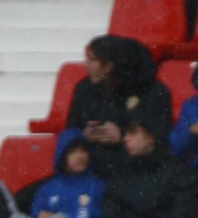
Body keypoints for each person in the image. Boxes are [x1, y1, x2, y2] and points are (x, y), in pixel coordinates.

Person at [67, 35, 174, 179]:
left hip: (137, 171)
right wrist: (83, 135)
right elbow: (70, 131)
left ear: (108, 66)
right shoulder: (84, 89)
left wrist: (122, 137)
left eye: (92, 60)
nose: (86, 65)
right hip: (90, 169)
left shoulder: (153, 92)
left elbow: (160, 142)